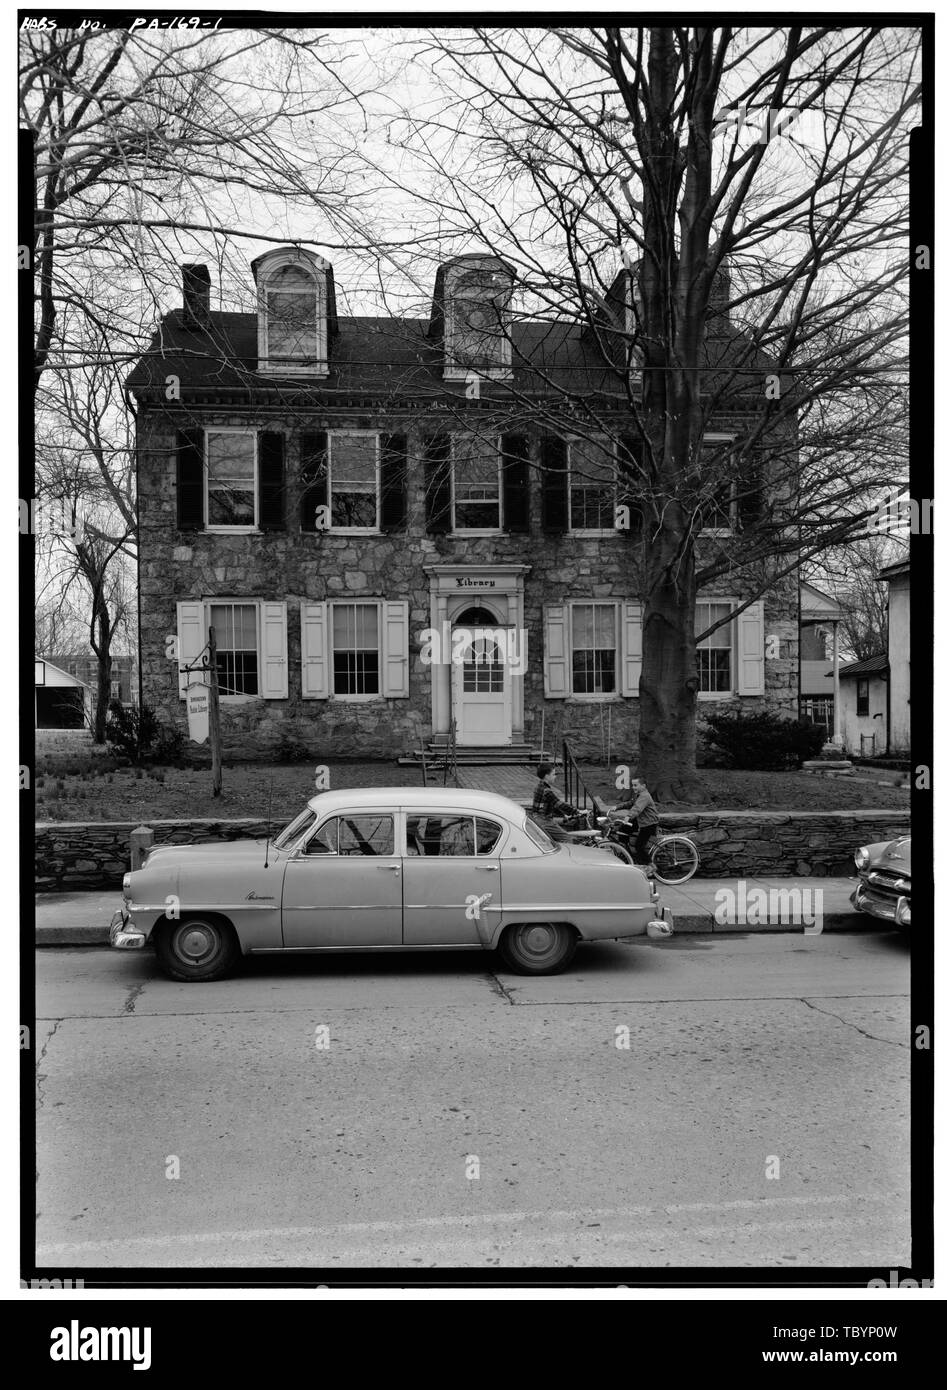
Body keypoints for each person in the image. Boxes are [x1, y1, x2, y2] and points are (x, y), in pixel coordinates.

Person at [610, 775, 660, 864]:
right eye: (632, 785)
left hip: (648, 824)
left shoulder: (645, 796)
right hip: (641, 821)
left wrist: (628, 816)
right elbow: (630, 803)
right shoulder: (638, 795)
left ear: (643, 786)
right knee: (623, 829)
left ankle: (650, 865)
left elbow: (637, 808)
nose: (633, 787)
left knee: (639, 846)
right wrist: (617, 807)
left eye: (635, 785)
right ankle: (626, 853)